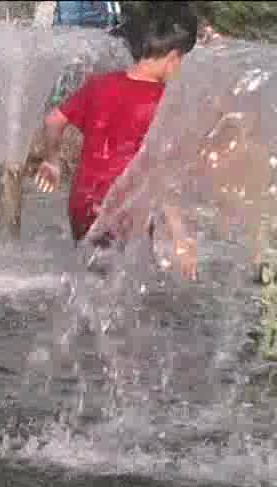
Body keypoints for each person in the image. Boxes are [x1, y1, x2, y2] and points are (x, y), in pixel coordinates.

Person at [35, 2, 199, 280]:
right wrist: (180, 235)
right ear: (173, 57)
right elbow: (158, 172)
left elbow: (53, 121)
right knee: (128, 283)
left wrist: (52, 161)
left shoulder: (100, 84)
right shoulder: (161, 102)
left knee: (92, 278)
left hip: (83, 204)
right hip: (125, 208)